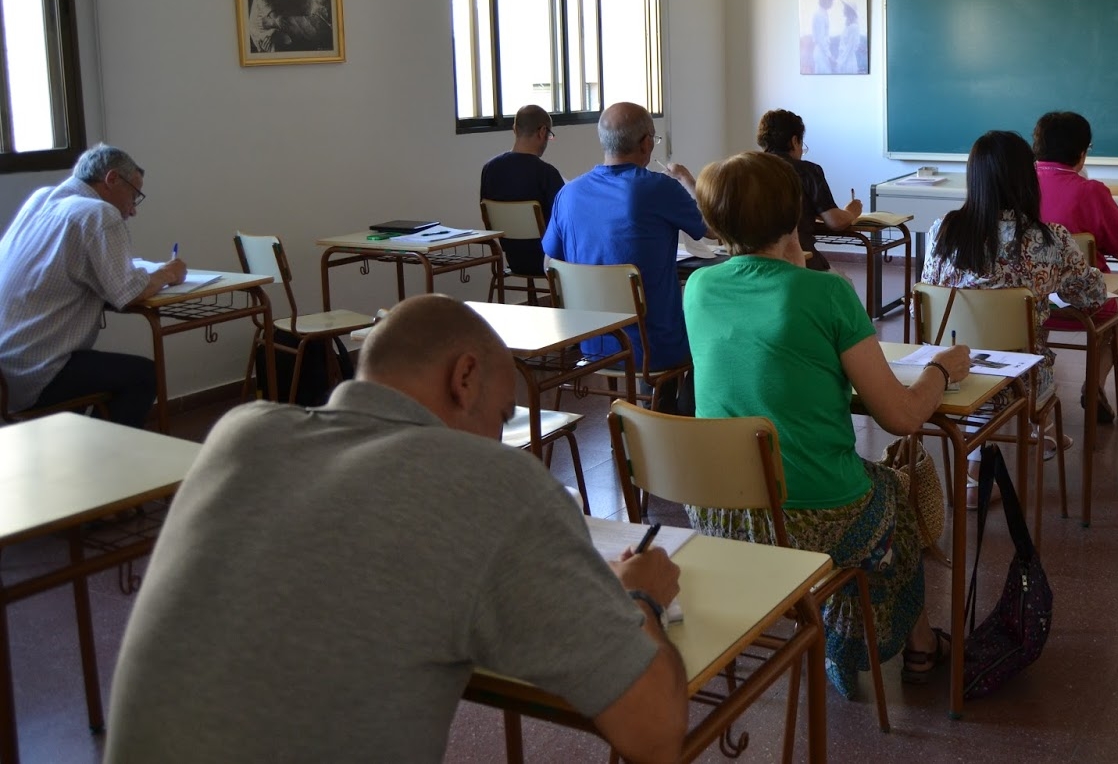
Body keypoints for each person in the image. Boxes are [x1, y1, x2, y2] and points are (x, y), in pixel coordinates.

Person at [104, 295, 688, 764]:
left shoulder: (241, 431)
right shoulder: (493, 482)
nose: (498, 437)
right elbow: (654, 734)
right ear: (465, 378)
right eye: (501, 416)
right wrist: (638, 597)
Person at [683, 151, 970, 695]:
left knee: (870, 484)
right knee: (896, 494)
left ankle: (848, 626)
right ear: (795, 215)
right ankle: (917, 645)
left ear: (715, 223)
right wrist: (939, 368)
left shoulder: (699, 289)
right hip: (812, 512)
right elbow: (903, 417)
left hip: (718, 511)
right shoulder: (826, 291)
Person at [922, 131, 1107, 500]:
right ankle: (1031, 432)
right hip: (1020, 383)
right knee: (1017, 358)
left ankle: (975, 469)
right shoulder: (1049, 240)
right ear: (1028, 178)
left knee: (975, 352)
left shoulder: (943, 231)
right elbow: (1093, 295)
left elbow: (930, 293)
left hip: (947, 374)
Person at [0, 144, 187, 427]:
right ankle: (103, 459)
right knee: (145, 375)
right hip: (36, 372)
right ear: (112, 179)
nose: (133, 211)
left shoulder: (39, 200)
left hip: (7, 368)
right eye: (135, 196)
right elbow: (129, 292)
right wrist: (167, 274)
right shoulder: (99, 213)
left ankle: (76, 448)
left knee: (93, 369)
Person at [542, 103, 705, 403]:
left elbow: (550, 263)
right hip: (653, 348)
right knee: (710, 335)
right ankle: (672, 420)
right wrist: (689, 182)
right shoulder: (657, 188)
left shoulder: (569, 194)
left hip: (592, 343)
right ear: (645, 143)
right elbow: (713, 227)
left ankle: (647, 421)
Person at [1032, 111, 1118, 424]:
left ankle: (1036, 377)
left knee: (1037, 310)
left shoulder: (1015, 185)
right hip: (1080, 305)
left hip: (1023, 304)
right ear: (1082, 152)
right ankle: (1095, 385)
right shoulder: (1091, 191)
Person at [756, 108, 862, 271]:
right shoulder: (806, 170)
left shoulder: (747, 169)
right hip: (799, 259)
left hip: (752, 261)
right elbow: (835, 222)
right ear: (794, 141)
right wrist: (851, 212)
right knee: (844, 285)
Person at [480, 103, 565, 276]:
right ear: (542, 132)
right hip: (549, 261)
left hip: (513, 258)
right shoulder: (546, 173)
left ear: (514, 129)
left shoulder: (489, 169)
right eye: (549, 135)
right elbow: (566, 221)